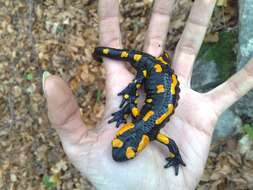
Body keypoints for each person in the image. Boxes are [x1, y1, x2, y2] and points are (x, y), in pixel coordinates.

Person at [43, 0, 253, 189]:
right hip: (158, 75)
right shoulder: (142, 125)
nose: (121, 149)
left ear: (125, 130)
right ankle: (129, 59)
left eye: (119, 143)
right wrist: (176, 157)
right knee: (140, 78)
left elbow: (132, 104)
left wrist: (128, 98)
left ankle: (139, 62)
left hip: (156, 73)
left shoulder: (143, 125)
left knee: (139, 81)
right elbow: (170, 144)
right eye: (129, 150)